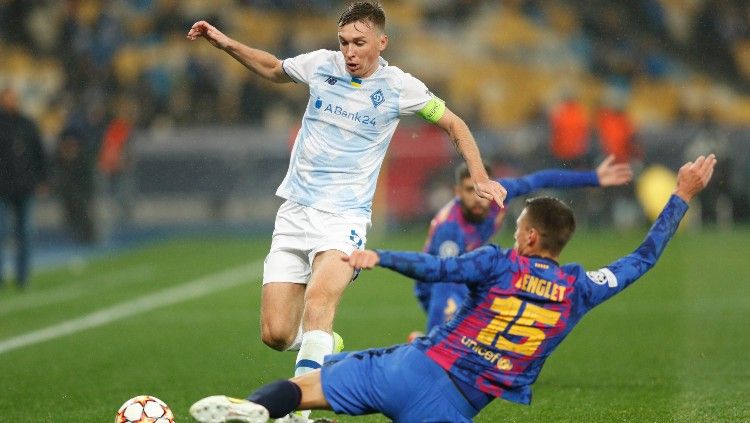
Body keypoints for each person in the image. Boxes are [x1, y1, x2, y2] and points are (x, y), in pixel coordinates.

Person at [187, 154, 715, 423]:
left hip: (413, 366)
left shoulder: (495, 261)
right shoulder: (582, 287)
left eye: (515, 228)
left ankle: (257, 408)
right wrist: (682, 195)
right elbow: (643, 258)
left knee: (306, 390)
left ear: (529, 237)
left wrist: (381, 257)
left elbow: (438, 273)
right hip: (457, 406)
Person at [186, 1, 506, 418]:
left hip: (344, 218)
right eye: (344, 42)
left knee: (320, 306)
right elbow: (273, 68)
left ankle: (297, 412)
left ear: (381, 42)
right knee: (277, 335)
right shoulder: (322, 65)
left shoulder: (399, 87)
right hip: (295, 212)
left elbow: (454, 124)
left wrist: (479, 176)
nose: (350, 52)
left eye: (359, 43)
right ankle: (326, 345)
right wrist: (226, 44)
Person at [414, 155, 633, 336]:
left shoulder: (500, 193)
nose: (478, 197)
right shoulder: (450, 230)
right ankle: (427, 345)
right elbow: (442, 279)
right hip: (436, 282)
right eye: (470, 190)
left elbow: (541, 179)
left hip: (466, 272)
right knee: (457, 339)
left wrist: (592, 178)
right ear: (457, 193)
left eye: (481, 189)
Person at [0, 87, 48, 291]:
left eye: (13, 98)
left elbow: (40, 153)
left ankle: (23, 276)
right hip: (2, 187)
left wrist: (42, 179)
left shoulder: (27, 124)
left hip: (25, 186)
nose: (10, 101)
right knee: (2, 233)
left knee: (25, 233)